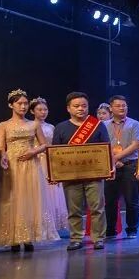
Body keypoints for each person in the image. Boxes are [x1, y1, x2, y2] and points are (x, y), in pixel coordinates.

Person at [0, 89, 59, 251]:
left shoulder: (33, 124)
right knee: (13, 198)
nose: (23, 106)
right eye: (19, 103)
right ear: (11, 105)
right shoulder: (3, 125)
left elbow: (44, 144)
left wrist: (33, 151)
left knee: (30, 197)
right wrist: (2, 157)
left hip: (31, 164)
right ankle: (14, 238)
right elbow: (1, 147)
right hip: (12, 165)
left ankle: (29, 236)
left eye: (25, 103)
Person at [51, 92, 111, 250]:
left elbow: (106, 149)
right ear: (68, 108)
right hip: (71, 176)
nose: (80, 109)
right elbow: (55, 153)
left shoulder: (97, 125)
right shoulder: (61, 127)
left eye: (84, 106)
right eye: (76, 106)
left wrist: (108, 168)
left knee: (97, 208)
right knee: (74, 209)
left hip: (94, 175)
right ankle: (76, 238)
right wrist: (55, 173)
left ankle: (98, 238)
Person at [103, 95, 139, 239]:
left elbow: (136, 144)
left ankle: (132, 229)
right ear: (111, 108)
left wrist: (117, 157)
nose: (122, 108)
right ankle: (110, 230)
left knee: (131, 200)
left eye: (124, 105)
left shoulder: (134, 124)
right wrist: (112, 160)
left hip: (129, 165)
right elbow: (102, 145)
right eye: (118, 105)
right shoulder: (104, 125)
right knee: (110, 200)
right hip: (110, 166)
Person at [30, 97, 69, 235]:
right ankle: (39, 223)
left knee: (53, 190)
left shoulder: (51, 127)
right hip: (36, 160)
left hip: (50, 160)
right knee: (40, 190)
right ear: (32, 111)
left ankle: (54, 224)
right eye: (39, 110)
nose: (43, 112)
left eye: (45, 109)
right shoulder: (29, 126)